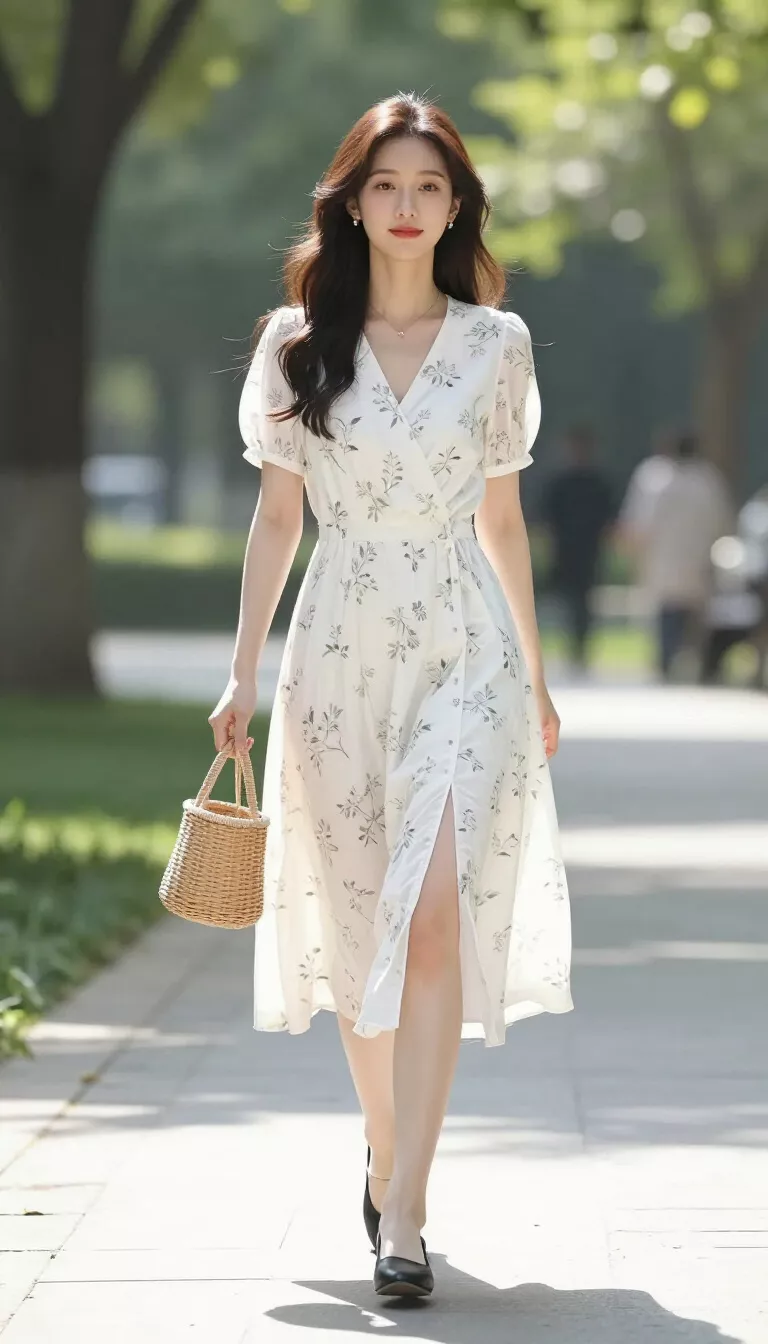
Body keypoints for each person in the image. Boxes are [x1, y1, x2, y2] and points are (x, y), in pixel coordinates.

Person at [208, 93, 573, 1300]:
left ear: (457, 206)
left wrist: (536, 673)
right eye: (386, 185)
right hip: (335, 650)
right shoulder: (295, 343)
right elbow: (278, 518)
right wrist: (241, 670)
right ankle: (382, 1147)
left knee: (430, 916)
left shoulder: (497, 345)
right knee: (361, 919)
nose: (408, 207)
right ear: (352, 203)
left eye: (429, 186)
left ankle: (406, 1209)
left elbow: (503, 519)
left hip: (464, 647)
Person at [616, 430, 735, 679]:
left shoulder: (654, 478)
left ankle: (667, 663)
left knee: (668, 614)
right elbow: (723, 523)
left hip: (662, 560)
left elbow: (638, 525)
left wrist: (631, 553)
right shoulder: (708, 481)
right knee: (691, 618)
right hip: (697, 562)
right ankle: (691, 665)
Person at [540, 424, 615, 669]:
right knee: (566, 601)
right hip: (565, 551)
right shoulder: (559, 483)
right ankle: (569, 646)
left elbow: (608, 520)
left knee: (584, 603)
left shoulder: (598, 483)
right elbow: (547, 520)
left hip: (589, 551)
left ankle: (581, 647)